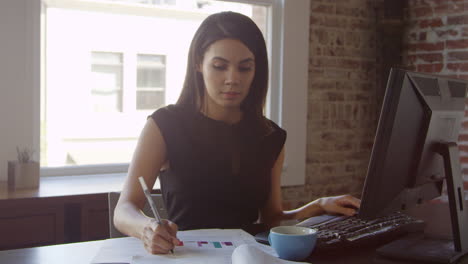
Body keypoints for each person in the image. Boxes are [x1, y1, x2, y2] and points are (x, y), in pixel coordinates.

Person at [114, 11, 361, 255]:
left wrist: (318, 206)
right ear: (199, 64)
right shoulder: (165, 124)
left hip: (249, 257)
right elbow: (124, 209)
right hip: (186, 256)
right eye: (220, 66)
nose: (232, 79)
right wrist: (147, 227)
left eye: (245, 68)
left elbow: (273, 219)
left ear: (256, 71)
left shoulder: (270, 136)